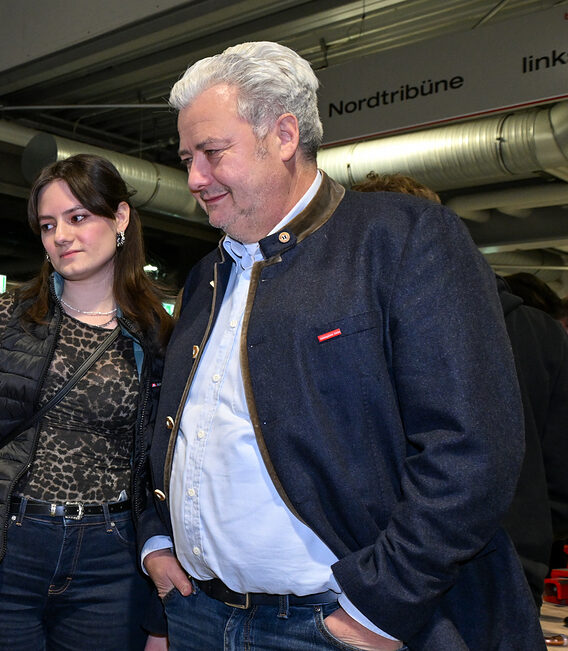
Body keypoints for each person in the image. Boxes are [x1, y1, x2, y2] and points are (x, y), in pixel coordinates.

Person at [141, 41, 539, 649]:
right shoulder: (207, 276)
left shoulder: (401, 241)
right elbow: (177, 427)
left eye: (212, 153)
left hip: (333, 625)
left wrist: (381, 602)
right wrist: (158, 534)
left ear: (282, 134)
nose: (194, 178)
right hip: (202, 615)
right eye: (186, 157)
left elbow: (473, 450)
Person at [0, 153, 171, 649]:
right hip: (7, 545)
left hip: (111, 557)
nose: (61, 236)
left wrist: (158, 610)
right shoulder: (9, 317)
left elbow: (158, 467)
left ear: (119, 218)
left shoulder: (154, 333)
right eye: (48, 224)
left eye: (78, 218)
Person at [352, 171, 568, 607]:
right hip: (504, 573)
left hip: (401, 572)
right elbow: (560, 471)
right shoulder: (541, 331)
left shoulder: (372, 329)